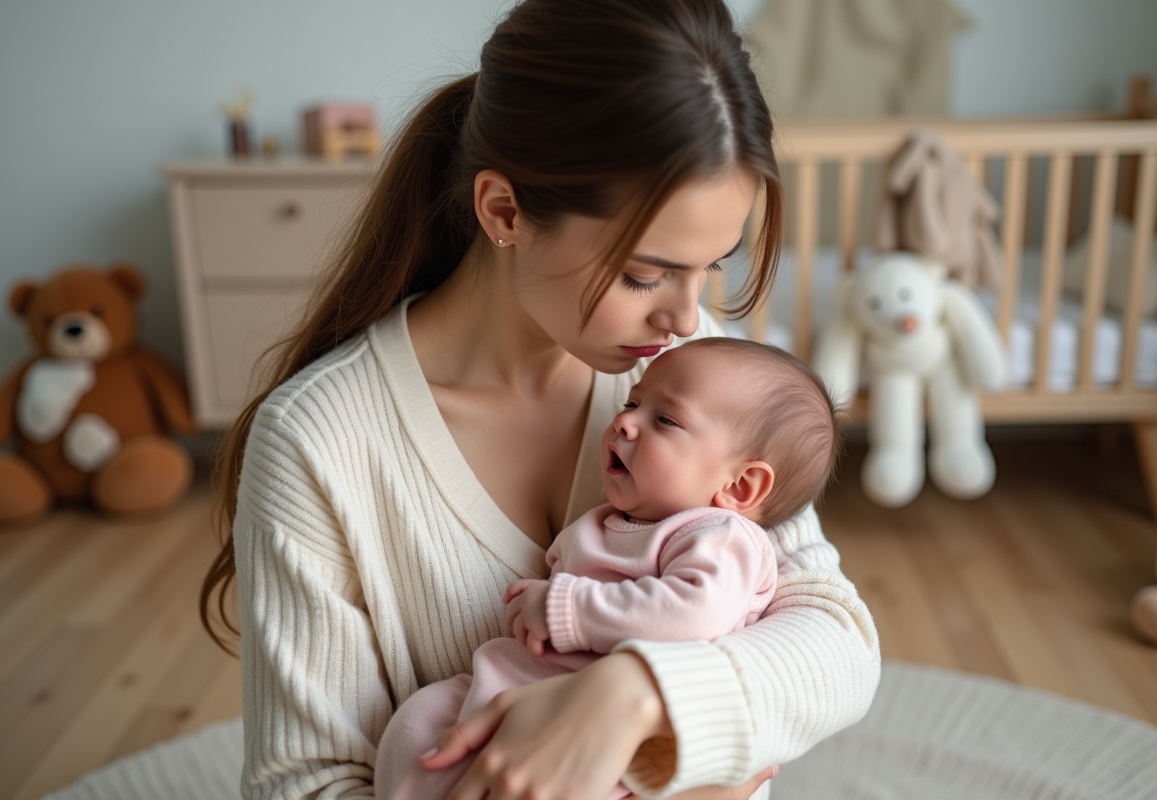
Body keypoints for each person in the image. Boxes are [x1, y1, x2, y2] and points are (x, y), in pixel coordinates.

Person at [199, 1, 881, 798]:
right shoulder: (320, 443)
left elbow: (837, 641)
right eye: (643, 274)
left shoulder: (693, 381)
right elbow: (304, 785)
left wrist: (631, 698)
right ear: (504, 211)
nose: (686, 317)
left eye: (712, 265)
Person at [375, 338, 841, 800]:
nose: (624, 422)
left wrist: (565, 608)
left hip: (625, 741)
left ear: (740, 486)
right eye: (631, 402)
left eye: (665, 419)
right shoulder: (616, 521)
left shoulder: (720, 536)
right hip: (523, 691)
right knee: (419, 723)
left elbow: (691, 614)